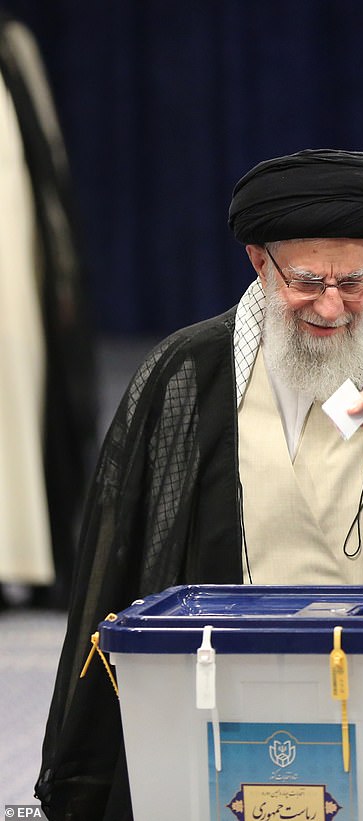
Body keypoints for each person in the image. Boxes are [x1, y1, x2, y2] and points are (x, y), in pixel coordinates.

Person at [36, 149, 363, 820]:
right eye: (309, 281)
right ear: (260, 264)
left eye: (353, 281)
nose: (331, 304)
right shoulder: (187, 375)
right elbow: (120, 552)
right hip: (227, 697)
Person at [0, 12, 96, 610]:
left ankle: (25, 557)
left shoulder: (14, 47)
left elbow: (46, 183)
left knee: (20, 393)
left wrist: (61, 276)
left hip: (16, 281)